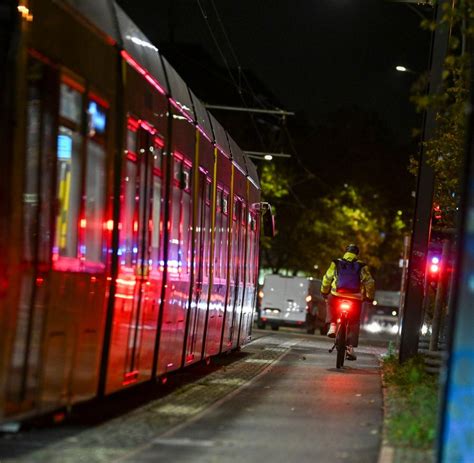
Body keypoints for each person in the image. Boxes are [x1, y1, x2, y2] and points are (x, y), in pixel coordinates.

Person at [320, 244, 375, 360]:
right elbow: (369, 282)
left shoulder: (336, 263)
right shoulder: (362, 266)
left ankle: (333, 325)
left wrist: (324, 291)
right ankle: (350, 347)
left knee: (329, 301)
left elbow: (327, 278)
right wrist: (369, 297)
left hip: (337, 296)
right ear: (357, 254)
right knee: (354, 321)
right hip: (355, 299)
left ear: (346, 252)